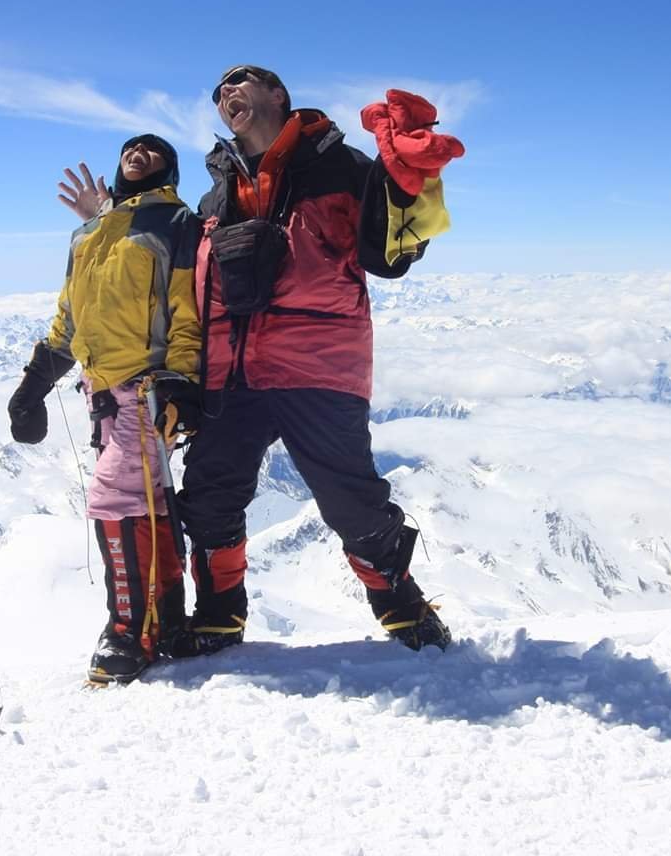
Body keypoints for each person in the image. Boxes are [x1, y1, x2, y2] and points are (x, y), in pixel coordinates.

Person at [172, 65, 463, 657]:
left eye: (241, 81)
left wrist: (410, 180)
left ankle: (402, 606)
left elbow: (389, 256)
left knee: (351, 499)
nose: (227, 93)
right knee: (208, 493)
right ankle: (220, 615)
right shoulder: (215, 194)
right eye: (219, 92)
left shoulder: (342, 166)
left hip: (319, 365)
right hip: (233, 372)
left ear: (278, 94)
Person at [6, 134, 202, 684]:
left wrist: (182, 382)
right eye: (130, 148)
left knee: (114, 499)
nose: (138, 153)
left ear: (169, 170)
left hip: (147, 388)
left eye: (153, 151)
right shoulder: (89, 234)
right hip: (103, 394)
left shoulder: (174, 223)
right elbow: (70, 319)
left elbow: (185, 308)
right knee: (147, 503)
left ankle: (128, 632)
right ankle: (166, 622)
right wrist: (33, 386)